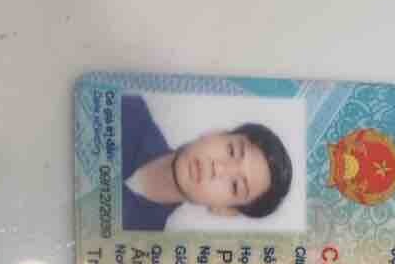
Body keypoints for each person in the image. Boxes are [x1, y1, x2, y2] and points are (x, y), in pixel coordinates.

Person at [121, 95, 293, 231]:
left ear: (225, 210)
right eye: (231, 151)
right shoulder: (127, 110)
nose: (218, 168)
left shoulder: (138, 246)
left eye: (235, 186)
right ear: (215, 133)